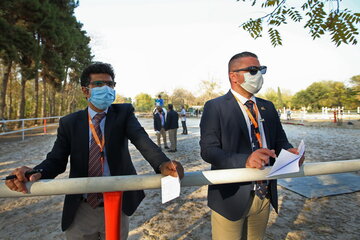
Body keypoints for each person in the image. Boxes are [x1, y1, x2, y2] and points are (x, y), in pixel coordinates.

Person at [5, 62, 184, 240]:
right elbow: (56, 161)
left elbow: (141, 139)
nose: (105, 88)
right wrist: (36, 172)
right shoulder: (69, 123)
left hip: (117, 204)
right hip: (81, 208)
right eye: (98, 84)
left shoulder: (123, 113)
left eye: (110, 84)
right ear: (85, 91)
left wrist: (162, 163)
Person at [200, 52, 304, 240]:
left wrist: (291, 152)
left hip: (264, 192)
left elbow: (280, 141)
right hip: (230, 196)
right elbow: (209, 151)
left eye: (261, 70)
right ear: (234, 76)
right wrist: (245, 160)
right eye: (253, 70)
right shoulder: (215, 107)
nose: (259, 75)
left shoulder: (268, 107)